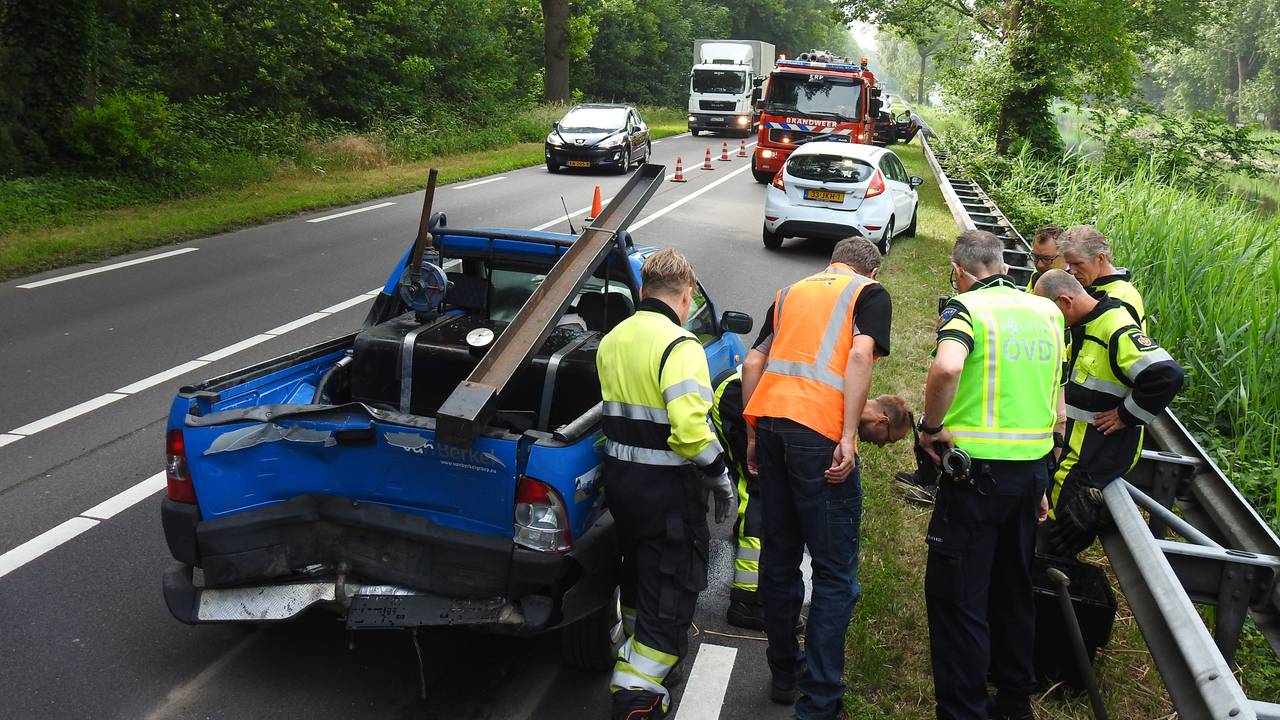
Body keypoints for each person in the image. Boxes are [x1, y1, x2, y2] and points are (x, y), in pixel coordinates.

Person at [741, 236, 892, 719]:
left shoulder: (790, 292)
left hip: (770, 426)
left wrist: (752, 432)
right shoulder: (868, 293)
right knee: (833, 574)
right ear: (871, 270)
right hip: (819, 437)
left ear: (832, 262)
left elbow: (753, 361)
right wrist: (847, 435)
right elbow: (860, 357)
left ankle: (785, 673)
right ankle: (820, 702)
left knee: (780, 559)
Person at [918, 230, 1064, 720]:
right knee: (1013, 585)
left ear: (958, 271)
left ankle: (964, 709)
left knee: (958, 596)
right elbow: (1058, 400)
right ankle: (1015, 697)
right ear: (1003, 266)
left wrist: (930, 427)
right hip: (1031, 474)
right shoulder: (1047, 312)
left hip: (976, 479)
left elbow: (946, 369)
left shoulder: (966, 309)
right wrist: (1043, 471)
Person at [596, 248, 736, 720]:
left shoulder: (613, 339)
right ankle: (637, 695)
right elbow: (690, 430)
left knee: (639, 574)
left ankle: (640, 652)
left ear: (643, 290)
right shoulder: (681, 346)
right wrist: (719, 476)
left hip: (623, 486)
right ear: (687, 294)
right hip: (667, 492)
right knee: (673, 584)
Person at [711, 365, 913, 630]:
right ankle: (747, 601)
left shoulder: (847, 404)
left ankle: (753, 546)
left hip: (758, 395)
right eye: (887, 440)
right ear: (881, 422)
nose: (881, 445)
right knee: (757, 489)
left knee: (765, 487)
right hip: (740, 395)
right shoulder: (840, 403)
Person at [1033, 269, 1184, 557]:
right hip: (1076, 447)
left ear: (1065, 301)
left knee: (1054, 529)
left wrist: (1125, 415)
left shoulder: (1114, 326)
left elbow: (1167, 374)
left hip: (1095, 451)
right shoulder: (1084, 324)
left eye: (1049, 313)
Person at [1060, 225, 1145, 327]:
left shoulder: (1121, 297)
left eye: (1078, 264)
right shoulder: (1088, 284)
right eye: (1069, 264)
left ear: (1100, 258)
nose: (1072, 271)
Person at [1025, 225, 1064, 292]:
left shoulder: (1077, 281)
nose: (1039, 265)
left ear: (1064, 256)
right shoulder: (1036, 274)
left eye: (1046, 259)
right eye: (1035, 257)